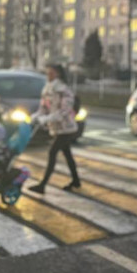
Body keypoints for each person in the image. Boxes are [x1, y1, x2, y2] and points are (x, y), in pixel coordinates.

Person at [28, 63, 80, 193]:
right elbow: (44, 108)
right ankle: (76, 181)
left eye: (51, 73)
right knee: (67, 155)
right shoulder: (47, 89)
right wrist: (36, 116)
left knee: (52, 153)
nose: (48, 76)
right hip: (57, 128)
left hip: (67, 129)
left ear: (58, 74)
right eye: (47, 73)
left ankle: (42, 185)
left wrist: (47, 118)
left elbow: (64, 111)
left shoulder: (64, 91)